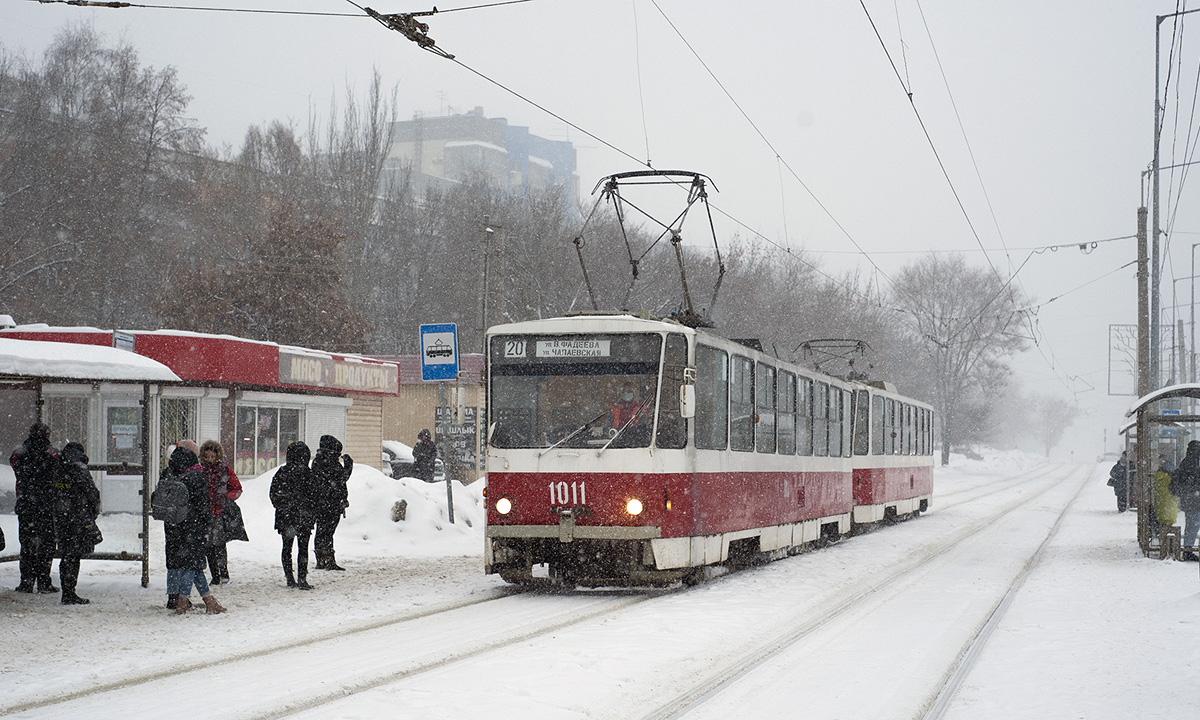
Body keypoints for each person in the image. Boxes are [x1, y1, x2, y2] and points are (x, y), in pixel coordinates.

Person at [162, 445, 226, 614]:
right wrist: (206, 522)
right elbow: (204, 506)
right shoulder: (195, 477)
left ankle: (186, 599)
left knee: (179, 563)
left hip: (173, 527)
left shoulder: (168, 474)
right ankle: (183, 602)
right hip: (192, 527)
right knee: (193, 564)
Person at [10, 423, 61, 594]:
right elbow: (59, 467)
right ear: (47, 435)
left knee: (27, 544)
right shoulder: (51, 453)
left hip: (25, 504)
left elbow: (14, 463)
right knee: (46, 544)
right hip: (45, 504)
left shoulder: (20, 451)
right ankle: (44, 582)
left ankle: (26, 582)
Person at [54, 442, 101, 605]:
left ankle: (66, 590)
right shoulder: (79, 469)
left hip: (61, 518)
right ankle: (69, 592)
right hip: (78, 518)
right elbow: (92, 493)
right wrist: (92, 513)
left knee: (67, 554)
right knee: (73, 556)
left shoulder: (58, 468)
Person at [270, 441, 318, 589]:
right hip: (303, 517)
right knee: (303, 548)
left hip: (286, 517)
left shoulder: (282, 473)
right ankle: (302, 580)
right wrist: (310, 511)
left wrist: (284, 507)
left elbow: (274, 495)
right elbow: (315, 496)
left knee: (287, 547)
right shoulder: (308, 474)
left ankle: (290, 579)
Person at [199, 440, 242, 585]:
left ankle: (223, 573)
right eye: (207, 457)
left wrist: (225, 498)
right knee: (208, 545)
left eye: (212, 457)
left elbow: (237, 489)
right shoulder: (200, 471)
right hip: (205, 513)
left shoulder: (225, 471)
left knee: (219, 544)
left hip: (219, 512)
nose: (210, 460)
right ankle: (215, 575)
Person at [312, 435, 352, 572]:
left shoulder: (318, 461)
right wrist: (348, 467)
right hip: (331, 503)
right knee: (328, 531)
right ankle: (329, 560)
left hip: (322, 502)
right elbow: (341, 479)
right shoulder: (331, 463)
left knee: (322, 530)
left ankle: (321, 559)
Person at [1171, 440, 1200, 561]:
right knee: (1193, 525)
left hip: (1190, 500)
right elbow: (1192, 483)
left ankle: (1188, 548)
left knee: (1192, 525)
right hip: (1194, 500)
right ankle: (1188, 550)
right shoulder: (1192, 464)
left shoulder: (1186, 462)